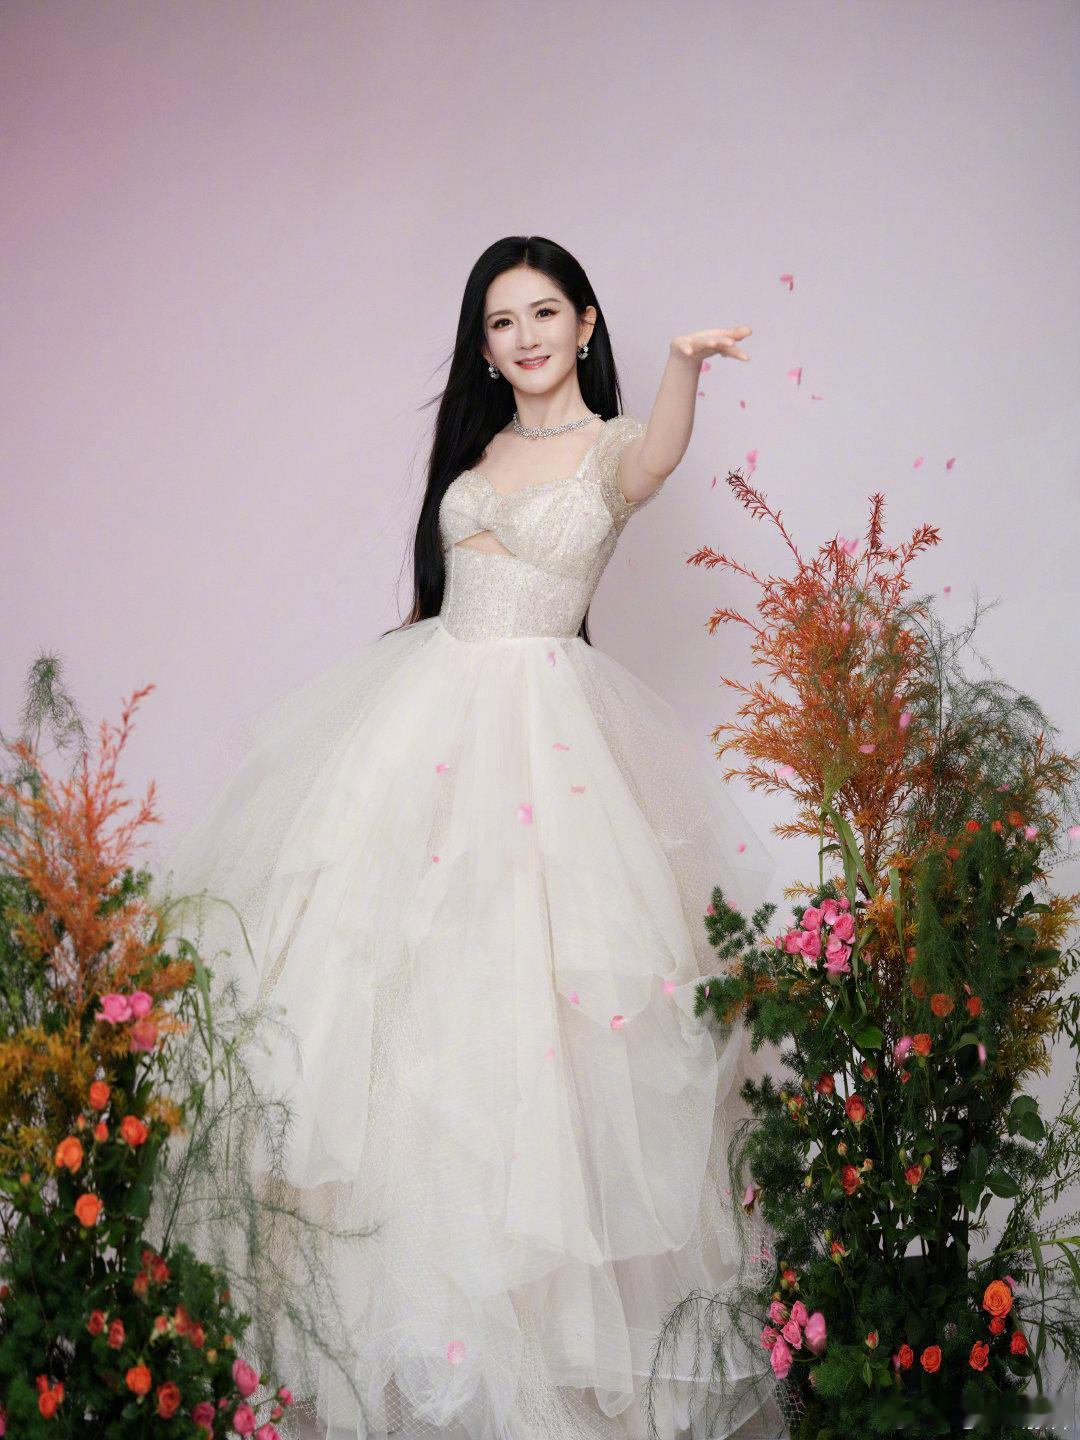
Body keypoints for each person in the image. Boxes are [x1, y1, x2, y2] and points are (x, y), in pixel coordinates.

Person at [158, 235, 780, 1440]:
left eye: (545, 313)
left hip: (547, 746)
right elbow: (445, 598)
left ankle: (540, 1354)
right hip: (425, 725)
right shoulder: (477, 449)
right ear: (484, 346)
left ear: (585, 326)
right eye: (502, 321)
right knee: (397, 1022)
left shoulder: (609, 448)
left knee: (540, 1028)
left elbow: (657, 458)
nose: (525, 336)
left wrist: (685, 367)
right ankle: (422, 1342)